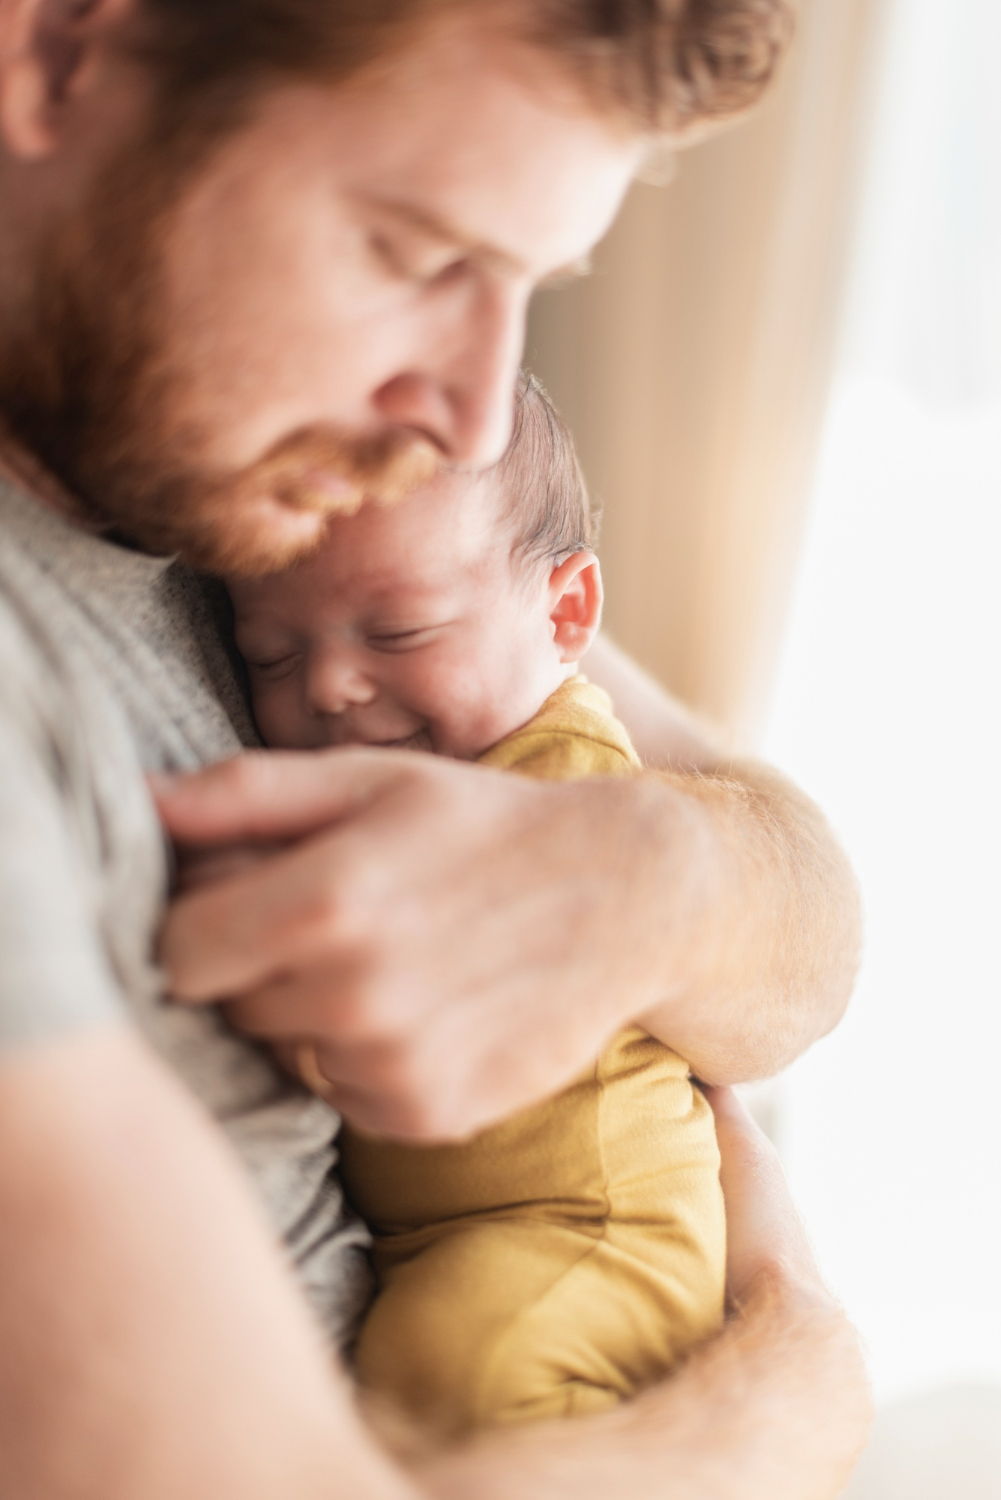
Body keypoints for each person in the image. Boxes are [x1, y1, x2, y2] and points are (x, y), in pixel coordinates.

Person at [0, 2, 870, 1497]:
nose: (471, 405)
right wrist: (792, 1400)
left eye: (530, 280)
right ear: (57, 53)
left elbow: (809, 947)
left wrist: (646, 873)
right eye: (414, 255)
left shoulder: (276, 475)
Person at [224, 372, 728, 1436]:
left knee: (458, 1366)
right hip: (454, 1227)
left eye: (398, 633)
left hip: (590, 1229)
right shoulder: (380, 768)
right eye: (269, 652)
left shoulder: (564, 780)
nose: (327, 689)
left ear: (566, 613)